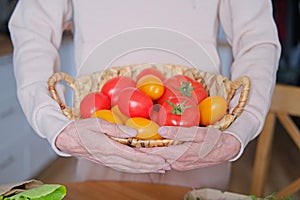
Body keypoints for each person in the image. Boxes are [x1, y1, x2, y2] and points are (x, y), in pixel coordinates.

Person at [8, 0, 281, 190]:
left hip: (201, 148)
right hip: (102, 151)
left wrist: (240, 129)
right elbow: (34, 31)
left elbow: (257, 40)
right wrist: (56, 126)